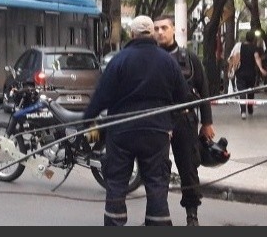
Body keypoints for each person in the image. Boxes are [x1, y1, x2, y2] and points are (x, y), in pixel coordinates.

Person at [83, 15, 188, 226]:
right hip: (156, 133)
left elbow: (101, 96)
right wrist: (168, 124)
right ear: (152, 33)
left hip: (121, 133)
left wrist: (88, 121)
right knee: (157, 184)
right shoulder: (168, 62)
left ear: (131, 34)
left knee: (116, 183)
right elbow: (183, 100)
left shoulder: (119, 61)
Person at [152, 14, 215, 226]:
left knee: (188, 169)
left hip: (184, 121)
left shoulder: (189, 58)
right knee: (157, 170)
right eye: (156, 28)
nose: (160, 32)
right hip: (158, 122)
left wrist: (207, 122)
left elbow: (204, 90)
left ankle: (192, 216)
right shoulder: (149, 58)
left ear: (173, 30)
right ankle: (158, 215)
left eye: (164, 28)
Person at [234, 31, 267, 119]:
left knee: (241, 92)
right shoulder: (254, 48)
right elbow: (257, 58)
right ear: (253, 39)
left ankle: (243, 112)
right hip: (251, 73)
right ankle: (250, 108)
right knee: (250, 92)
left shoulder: (240, 47)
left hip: (240, 73)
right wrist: (261, 69)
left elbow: (235, 57)